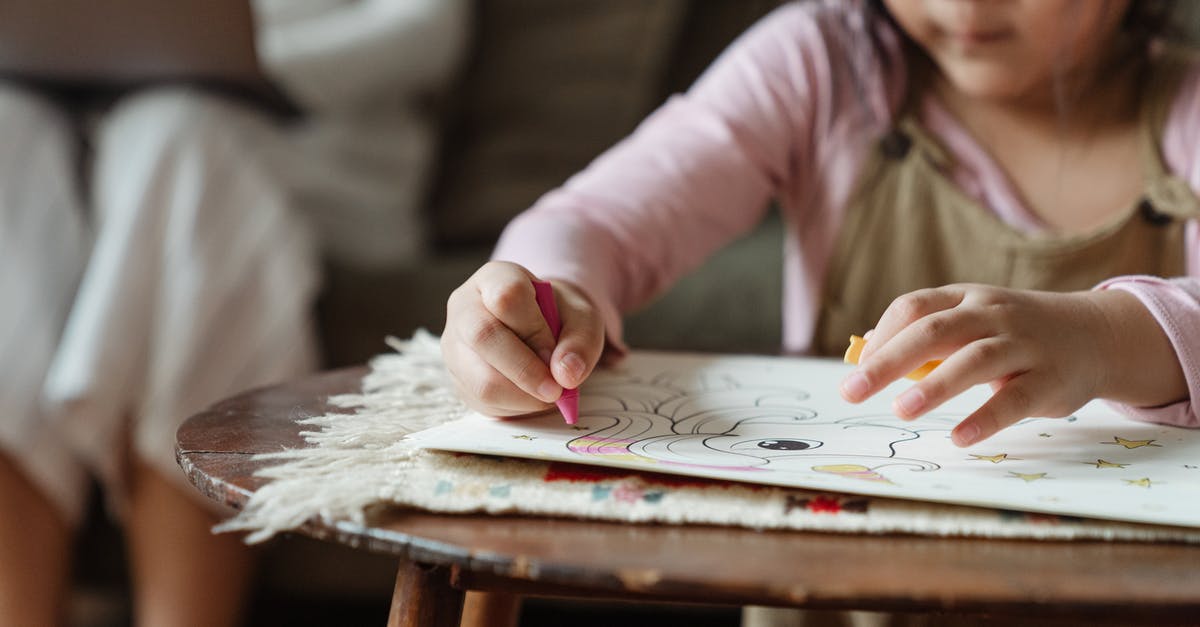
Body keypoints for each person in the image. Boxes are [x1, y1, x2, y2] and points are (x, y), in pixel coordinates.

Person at [442, 1, 1198, 622]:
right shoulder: (824, 65)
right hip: (827, 597)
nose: (963, 6)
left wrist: (1103, 336)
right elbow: (597, 220)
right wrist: (545, 296)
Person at [0, 1, 467, 625]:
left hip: (304, 133)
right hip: (64, 115)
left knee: (176, 136)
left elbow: (422, 29)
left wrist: (243, 62)